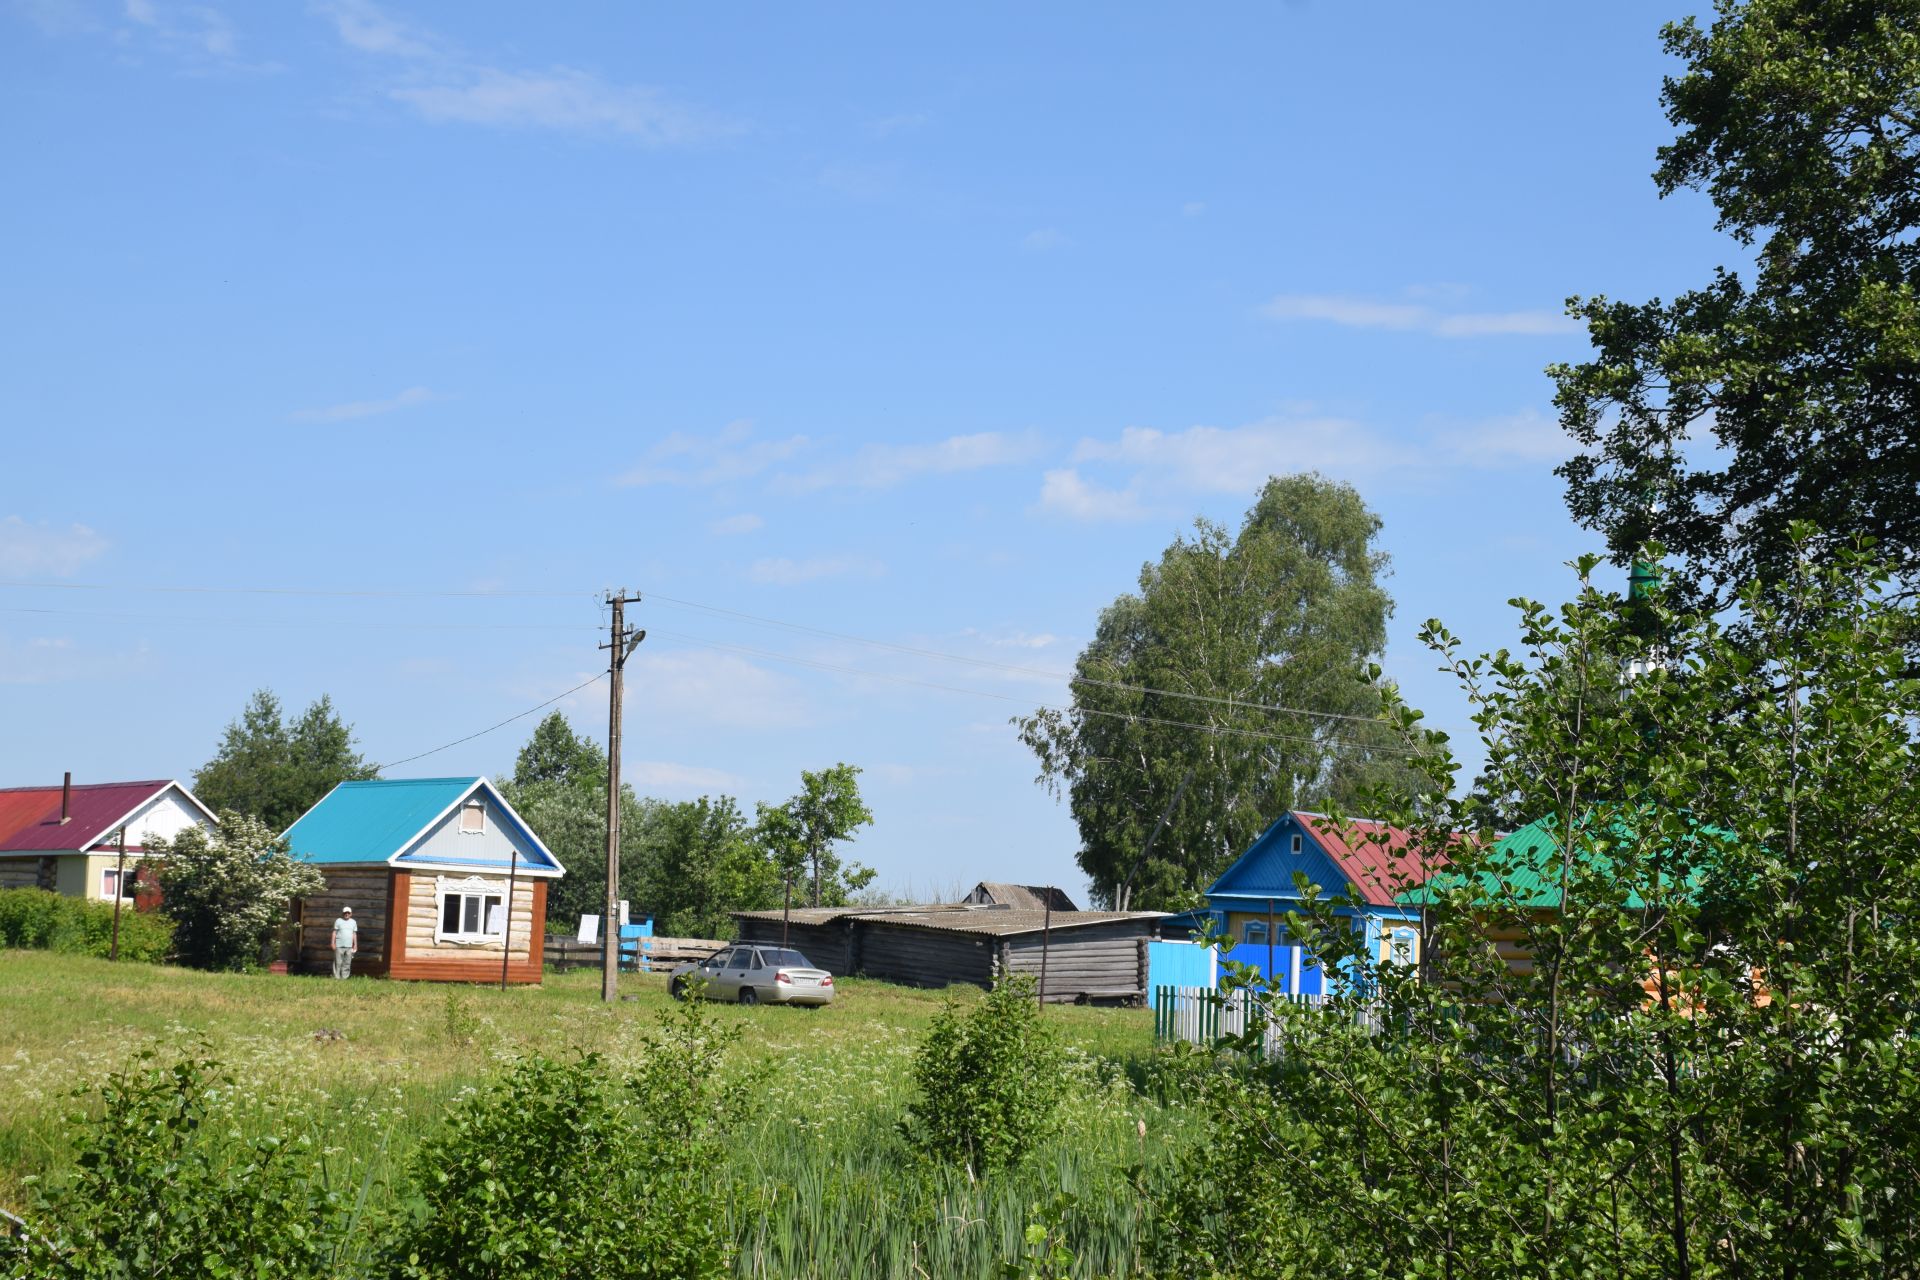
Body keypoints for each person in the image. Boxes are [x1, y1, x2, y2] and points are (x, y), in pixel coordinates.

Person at [332, 906, 357, 979]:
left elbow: (354, 934)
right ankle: (337, 977)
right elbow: (334, 932)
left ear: (351, 914)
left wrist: (355, 945)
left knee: (347, 963)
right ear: (343, 913)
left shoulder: (353, 922)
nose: (347, 914)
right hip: (339, 945)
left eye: (348, 913)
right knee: (338, 962)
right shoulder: (338, 921)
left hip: (349, 946)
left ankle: (344, 978)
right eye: (345, 913)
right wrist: (332, 943)